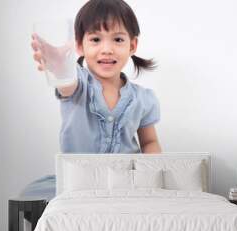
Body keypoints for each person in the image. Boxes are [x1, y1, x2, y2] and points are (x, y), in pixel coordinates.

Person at [24, 0, 161, 199]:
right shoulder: (77, 82)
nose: (107, 49)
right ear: (80, 45)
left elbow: (149, 141)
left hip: (126, 182)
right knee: (31, 195)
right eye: (96, 39)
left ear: (132, 45)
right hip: (78, 181)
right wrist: (60, 67)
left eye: (118, 40)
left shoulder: (144, 98)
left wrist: (152, 176)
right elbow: (67, 86)